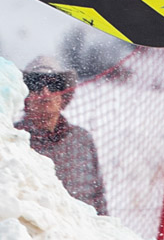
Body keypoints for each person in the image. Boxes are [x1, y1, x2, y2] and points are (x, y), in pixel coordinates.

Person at [16, 56, 107, 215]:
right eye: (35, 85)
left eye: (52, 85)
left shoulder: (82, 139)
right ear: (25, 96)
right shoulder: (11, 139)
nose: (45, 92)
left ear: (64, 95)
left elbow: (98, 196)